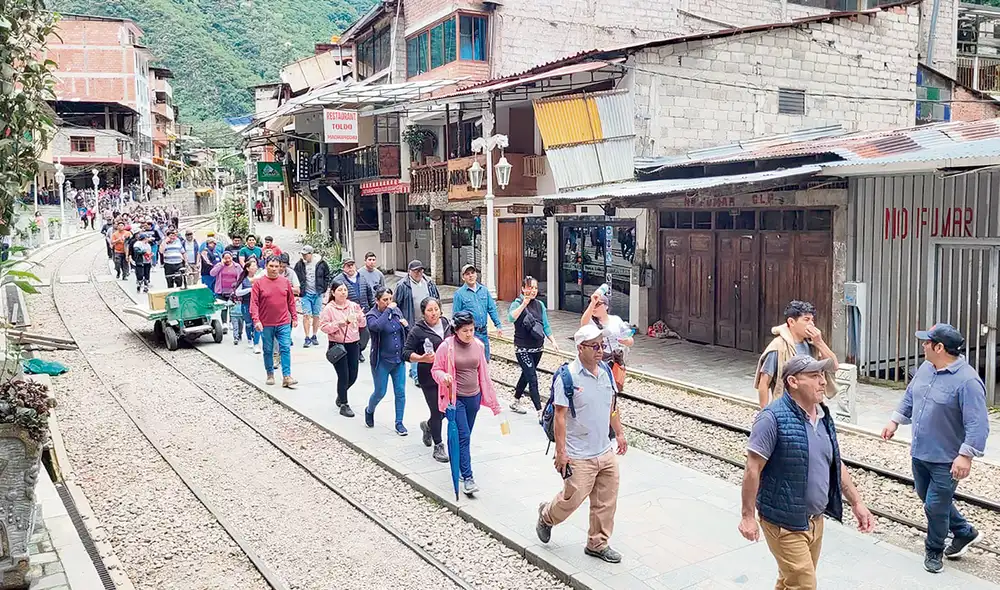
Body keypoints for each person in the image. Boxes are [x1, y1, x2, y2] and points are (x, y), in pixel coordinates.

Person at [740, 355, 875, 590]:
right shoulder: (771, 418)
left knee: (790, 581)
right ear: (793, 382)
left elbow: (835, 462)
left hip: (815, 521)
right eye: (814, 376)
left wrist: (857, 502)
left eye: (822, 375)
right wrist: (747, 516)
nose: (822, 381)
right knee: (804, 584)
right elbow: (753, 469)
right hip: (784, 522)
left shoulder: (823, 417)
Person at [881, 324, 990, 573]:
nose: (923, 345)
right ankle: (964, 532)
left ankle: (934, 551)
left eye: (927, 342)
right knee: (926, 496)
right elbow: (911, 395)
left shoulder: (968, 381)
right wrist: (894, 421)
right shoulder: (926, 368)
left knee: (935, 506)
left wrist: (965, 456)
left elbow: (978, 424)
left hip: (946, 459)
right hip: (920, 451)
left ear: (939, 347)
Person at [535, 324, 627, 563]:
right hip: (578, 454)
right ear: (580, 348)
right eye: (594, 346)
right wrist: (561, 453)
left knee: (606, 501)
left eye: (602, 345)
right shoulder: (568, 377)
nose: (600, 350)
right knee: (572, 499)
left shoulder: (606, 371)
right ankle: (546, 516)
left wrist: (619, 433)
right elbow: (560, 417)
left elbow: (612, 407)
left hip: (604, 450)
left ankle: (597, 543)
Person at [430, 311, 502, 495]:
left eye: (472, 330)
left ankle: (459, 463)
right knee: (464, 436)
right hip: (456, 398)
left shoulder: (478, 345)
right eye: (465, 331)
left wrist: (492, 400)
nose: (469, 334)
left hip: (474, 397)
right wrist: (443, 377)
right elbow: (435, 369)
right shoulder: (447, 347)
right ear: (456, 330)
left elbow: (483, 373)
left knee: (465, 434)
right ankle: (468, 477)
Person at [755, 300, 838, 409]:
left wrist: (819, 342)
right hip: (787, 406)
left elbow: (834, 366)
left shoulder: (812, 345)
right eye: (806, 320)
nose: (811, 324)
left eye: (812, 320)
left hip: (811, 404)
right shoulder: (778, 346)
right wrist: (765, 411)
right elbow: (764, 382)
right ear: (791, 322)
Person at [402, 297, 451, 463]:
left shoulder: (447, 324)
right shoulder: (418, 330)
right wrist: (421, 358)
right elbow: (406, 353)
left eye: (436, 309)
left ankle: (428, 426)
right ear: (423, 313)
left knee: (446, 410)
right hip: (428, 376)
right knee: (437, 410)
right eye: (430, 310)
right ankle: (438, 446)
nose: (434, 313)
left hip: (447, 376)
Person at [508, 276, 559, 420]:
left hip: (538, 348)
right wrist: (523, 304)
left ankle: (515, 401)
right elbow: (511, 318)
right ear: (523, 289)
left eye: (535, 288)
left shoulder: (540, 305)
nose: (533, 291)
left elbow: (545, 325)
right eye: (530, 287)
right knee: (532, 378)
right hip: (522, 348)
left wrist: (553, 341)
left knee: (526, 375)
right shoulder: (517, 303)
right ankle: (540, 411)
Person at [363, 287, 409, 435]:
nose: (389, 302)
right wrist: (388, 310)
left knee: (400, 392)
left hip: (398, 359)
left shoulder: (396, 311)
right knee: (380, 392)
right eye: (385, 300)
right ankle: (369, 410)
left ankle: (399, 422)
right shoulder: (372, 315)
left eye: (390, 299)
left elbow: (404, 331)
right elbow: (376, 327)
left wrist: (406, 326)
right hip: (381, 361)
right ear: (377, 301)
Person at [319, 280, 367, 418]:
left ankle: (341, 395)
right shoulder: (329, 308)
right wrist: (342, 322)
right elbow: (324, 327)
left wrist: (360, 317)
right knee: (343, 375)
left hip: (353, 343)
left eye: (345, 290)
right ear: (333, 292)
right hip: (337, 345)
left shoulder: (353, 306)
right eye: (340, 290)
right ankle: (344, 404)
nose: (343, 293)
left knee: (353, 375)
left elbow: (362, 324)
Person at [251, 256, 298, 387]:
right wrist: (256, 320)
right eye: (271, 266)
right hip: (266, 323)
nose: (274, 269)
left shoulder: (285, 282)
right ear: (266, 266)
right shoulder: (259, 283)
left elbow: (291, 301)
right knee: (268, 349)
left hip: (283, 322)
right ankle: (270, 374)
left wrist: (294, 317)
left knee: (285, 347)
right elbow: (254, 303)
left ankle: (287, 376)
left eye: (276, 266)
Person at [393, 260, 440, 381]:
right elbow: (396, 304)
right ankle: (416, 374)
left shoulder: (429, 283)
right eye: (415, 271)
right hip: (411, 321)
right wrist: (400, 319)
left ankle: (421, 370)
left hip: (428, 321)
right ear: (409, 272)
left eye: (420, 270)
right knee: (414, 346)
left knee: (426, 345)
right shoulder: (402, 285)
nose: (418, 273)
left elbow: (436, 299)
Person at [580, 291, 634, 392]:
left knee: (613, 388)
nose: (594, 307)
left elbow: (630, 340)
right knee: (598, 388)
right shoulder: (591, 322)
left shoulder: (616, 320)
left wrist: (624, 340)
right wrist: (592, 303)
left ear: (606, 306)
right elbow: (583, 323)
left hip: (615, 359)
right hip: (597, 359)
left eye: (598, 304)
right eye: (592, 304)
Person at [452, 263, 504, 359]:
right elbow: (456, 316)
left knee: (485, 359)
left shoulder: (484, 290)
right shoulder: (459, 294)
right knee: (472, 359)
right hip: (469, 333)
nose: (471, 276)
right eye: (467, 274)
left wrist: (498, 325)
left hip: (483, 332)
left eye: (472, 273)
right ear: (463, 277)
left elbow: (491, 309)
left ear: (476, 275)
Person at [334, 254, 375, 359]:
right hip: (347, 313)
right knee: (351, 334)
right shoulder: (338, 280)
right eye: (348, 266)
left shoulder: (362, 278)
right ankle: (354, 352)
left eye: (352, 265)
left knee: (365, 334)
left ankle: (359, 349)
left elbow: (370, 295)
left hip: (363, 311)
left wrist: (373, 308)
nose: (350, 267)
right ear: (343, 267)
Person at [294, 245, 330, 348]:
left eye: (306, 254)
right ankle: (306, 336)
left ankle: (314, 335)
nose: (304, 256)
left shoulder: (321, 263)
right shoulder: (299, 264)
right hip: (305, 293)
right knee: (306, 315)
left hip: (318, 293)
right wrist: (298, 291)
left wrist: (323, 288)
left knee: (316, 315)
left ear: (311, 254)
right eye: (303, 254)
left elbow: (327, 275)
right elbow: (296, 277)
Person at [234, 258, 261, 353]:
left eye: (256, 266)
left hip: (258, 304)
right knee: (249, 324)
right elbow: (237, 292)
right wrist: (249, 290)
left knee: (257, 323)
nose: (255, 268)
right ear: (248, 268)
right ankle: (249, 338)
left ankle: (256, 343)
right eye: (253, 266)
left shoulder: (259, 279)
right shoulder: (243, 280)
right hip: (246, 303)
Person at [210, 251, 242, 325]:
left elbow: (241, 276)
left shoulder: (237, 266)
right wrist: (221, 265)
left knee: (232, 307)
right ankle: (224, 323)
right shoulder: (219, 265)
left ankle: (231, 322)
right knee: (224, 307)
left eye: (229, 258)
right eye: (225, 258)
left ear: (232, 258)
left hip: (233, 291)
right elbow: (212, 273)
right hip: (222, 291)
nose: (227, 260)